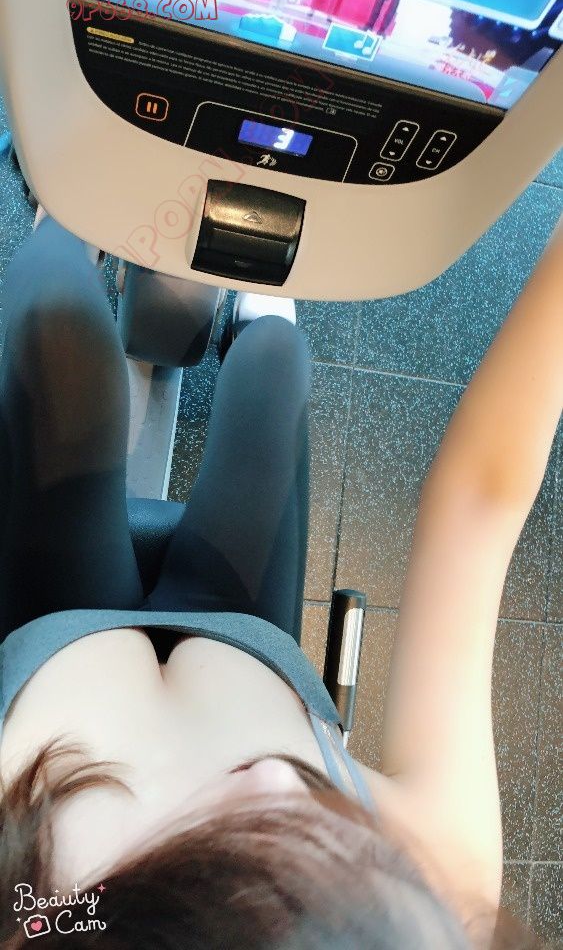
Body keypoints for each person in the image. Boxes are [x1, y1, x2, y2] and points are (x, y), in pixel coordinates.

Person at [0, 213, 561, 948]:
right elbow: (479, 503)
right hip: (238, 629)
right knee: (276, 359)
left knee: (59, 329)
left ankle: (65, 213)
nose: (279, 778)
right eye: (352, 857)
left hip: (55, 619)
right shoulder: (441, 887)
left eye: (225, 868)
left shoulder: (34, 915)